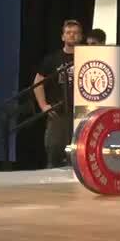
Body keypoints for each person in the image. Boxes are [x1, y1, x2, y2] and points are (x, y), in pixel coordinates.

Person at [34, 19, 83, 168]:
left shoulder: (87, 57)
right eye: (68, 32)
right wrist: (43, 106)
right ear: (62, 37)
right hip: (58, 113)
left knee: (79, 156)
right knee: (54, 152)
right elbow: (37, 83)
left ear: (81, 37)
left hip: (81, 114)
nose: (72, 36)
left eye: (75, 33)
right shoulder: (52, 59)